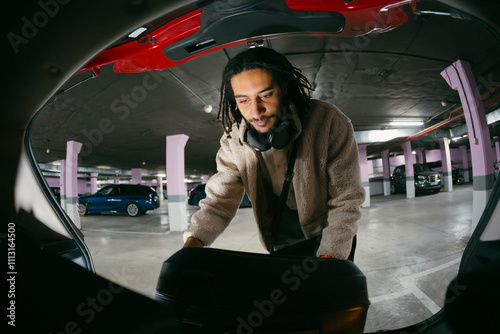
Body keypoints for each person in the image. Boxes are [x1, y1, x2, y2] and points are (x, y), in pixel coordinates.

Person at [183, 47, 365, 259]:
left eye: (266, 95)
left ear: (284, 87)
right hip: (279, 236)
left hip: (329, 232)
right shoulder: (233, 141)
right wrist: (193, 243)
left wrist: (330, 257)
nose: (256, 111)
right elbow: (218, 203)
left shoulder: (328, 122)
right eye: (244, 100)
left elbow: (346, 199)